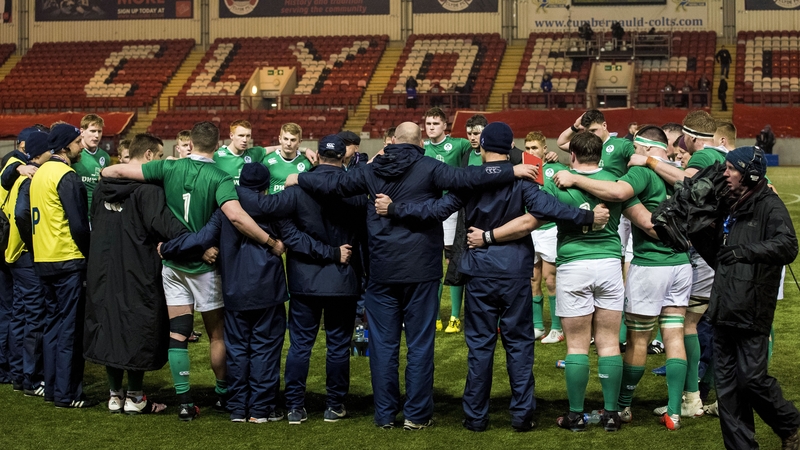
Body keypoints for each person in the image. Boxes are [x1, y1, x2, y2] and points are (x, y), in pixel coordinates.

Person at [284, 121, 540, 430]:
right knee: (419, 345)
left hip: (382, 270)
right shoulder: (430, 166)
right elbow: (467, 177)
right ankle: (417, 416)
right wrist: (510, 170)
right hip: (421, 269)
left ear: (392, 140)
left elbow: (332, 186)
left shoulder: (371, 169)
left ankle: (384, 414)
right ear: (420, 142)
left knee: (383, 345)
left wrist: (299, 177)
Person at [375, 122, 606, 432]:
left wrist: (394, 209)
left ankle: (475, 417)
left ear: (481, 147)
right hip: (513, 272)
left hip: (480, 272)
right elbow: (549, 208)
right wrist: (588, 216)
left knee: (480, 348)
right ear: (510, 147)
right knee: (520, 346)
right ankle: (522, 416)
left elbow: (435, 210)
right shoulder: (524, 176)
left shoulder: (472, 181)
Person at [100, 121, 281, 421]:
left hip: (172, 265)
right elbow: (236, 217)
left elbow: (117, 171)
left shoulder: (168, 168)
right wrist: (270, 241)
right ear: (217, 144)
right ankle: (223, 394)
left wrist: (105, 172)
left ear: (191, 143)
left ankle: (184, 401)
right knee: (217, 336)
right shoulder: (220, 176)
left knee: (178, 334)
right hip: (204, 267)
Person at [161, 161, 347, 424]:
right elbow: (295, 239)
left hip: (235, 292)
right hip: (268, 292)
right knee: (265, 351)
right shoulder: (274, 209)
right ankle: (260, 410)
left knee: (237, 350)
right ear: (265, 187)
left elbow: (201, 238)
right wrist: (332, 252)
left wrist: (167, 248)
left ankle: (238, 408)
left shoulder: (225, 210)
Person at [554, 125, 692, 430]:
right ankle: (675, 410)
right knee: (674, 333)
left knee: (637, 339)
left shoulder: (641, 174)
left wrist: (576, 178)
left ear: (643, 148)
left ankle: (622, 407)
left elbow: (624, 199)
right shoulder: (681, 170)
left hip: (650, 263)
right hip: (682, 264)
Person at [236, 136, 365, 425]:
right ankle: (334, 404)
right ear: (344, 156)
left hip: (304, 279)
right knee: (338, 346)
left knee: (300, 345)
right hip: (343, 279)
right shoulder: (355, 192)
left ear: (316, 156)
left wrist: (229, 187)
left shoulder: (297, 189)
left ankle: (295, 405)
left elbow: (263, 207)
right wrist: (335, 254)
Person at [691, 146, 800, 450]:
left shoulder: (770, 206)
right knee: (727, 392)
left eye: (730, 168)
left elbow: (788, 246)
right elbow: (715, 250)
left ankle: (790, 424)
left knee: (751, 381)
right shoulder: (729, 202)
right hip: (724, 305)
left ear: (750, 175)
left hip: (752, 309)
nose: (725, 173)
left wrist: (745, 252)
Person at [629, 110, 723, 418]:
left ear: (692, 137)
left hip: (703, 254)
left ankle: (690, 397)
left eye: (682, 137)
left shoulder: (702, 158)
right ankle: (705, 396)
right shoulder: (724, 154)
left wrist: (651, 162)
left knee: (686, 326)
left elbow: (689, 183)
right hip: (720, 253)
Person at [84, 133, 185, 415]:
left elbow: (94, 221)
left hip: (103, 269)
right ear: (150, 156)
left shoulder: (104, 188)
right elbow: (164, 227)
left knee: (108, 327)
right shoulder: (149, 191)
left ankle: (114, 395)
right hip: (138, 269)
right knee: (139, 328)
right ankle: (136, 396)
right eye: (161, 156)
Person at [28, 124, 93, 408]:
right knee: (70, 329)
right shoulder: (67, 176)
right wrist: (89, 255)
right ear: (66, 147)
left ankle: (54, 388)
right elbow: (79, 224)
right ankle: (68, 393)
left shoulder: (39, 174)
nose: (81, 146)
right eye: (78, 142)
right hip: (67, 259)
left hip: (43, 258)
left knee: (52, 325)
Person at [3, 131, 52, 397]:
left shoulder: (17, 169)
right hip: (23, 253)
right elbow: (23, 213)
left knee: (20, 314)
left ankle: (19, 373)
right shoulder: (25, 172)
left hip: (12, 253)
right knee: (33, 315)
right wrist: (34, 243)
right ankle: (31, 378)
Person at [422, 107, 472, 332]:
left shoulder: (460, 144)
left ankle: (454, 316)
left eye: (435, 123)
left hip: (452, 211)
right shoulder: (421, 149)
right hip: (430, 210)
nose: (431, 127)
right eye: (428, 124)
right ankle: (434, 316)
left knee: (452, 262)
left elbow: (481, 147)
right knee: (431, 263)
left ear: (445, 126)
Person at [525, 131, 568, 343]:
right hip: (530, 230)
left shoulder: (555, 169)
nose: (531, 151)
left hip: (550, 229)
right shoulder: (524, 171)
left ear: (544, 149)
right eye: (528, 148)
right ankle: (538, 326)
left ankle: (558, 328)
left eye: (535, 148)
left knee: (551, 280)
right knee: (534, 279)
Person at [72, 114, 111, 215]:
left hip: (98, 212)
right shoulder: (74, 154)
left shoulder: (105, 157)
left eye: (99, 131)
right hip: (78, 212)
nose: (97, 136)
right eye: (93, 131)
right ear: (82, 132)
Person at [213, 119, 267, 184]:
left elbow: (274, 148)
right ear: (231, 135)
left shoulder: (254, 153)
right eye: (241, 135)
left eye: (248, 136)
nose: (245, 140)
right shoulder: (216, 156)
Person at [265, 123, 312, 194]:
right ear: (280, 139)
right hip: (274, 204)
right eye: (286, 139)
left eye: (293, 140)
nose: (289, 143)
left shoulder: (307, 163)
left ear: (299, 142)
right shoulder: (267, 161)